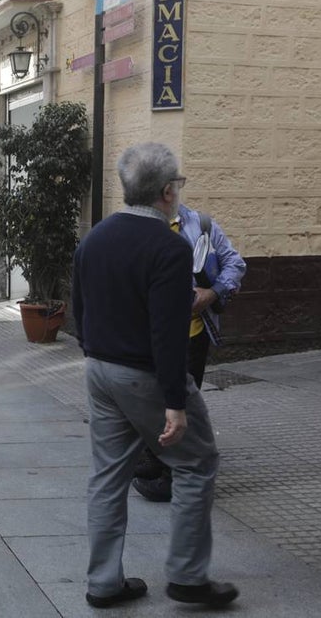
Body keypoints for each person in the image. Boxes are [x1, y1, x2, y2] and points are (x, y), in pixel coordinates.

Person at [73, 142, 238, 609]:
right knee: (196, 462)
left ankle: (103, 583)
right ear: (167, 192)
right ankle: (187, 575)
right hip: (144, 373)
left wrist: (97, 355)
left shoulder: (95, 238)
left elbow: (80, 313)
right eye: (178, 185)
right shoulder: (168, 247)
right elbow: (169, 335)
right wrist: (175, 403)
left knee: (107, 476)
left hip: (99, 371)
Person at [133, 201, 246, 502]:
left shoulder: (202, 226)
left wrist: (213, 292)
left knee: (180, 403)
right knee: (151, 399)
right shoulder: (139, 226)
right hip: (150, 334)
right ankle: (154, 458)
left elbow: (236, 264)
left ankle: (175, 477)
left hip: (191, 335)